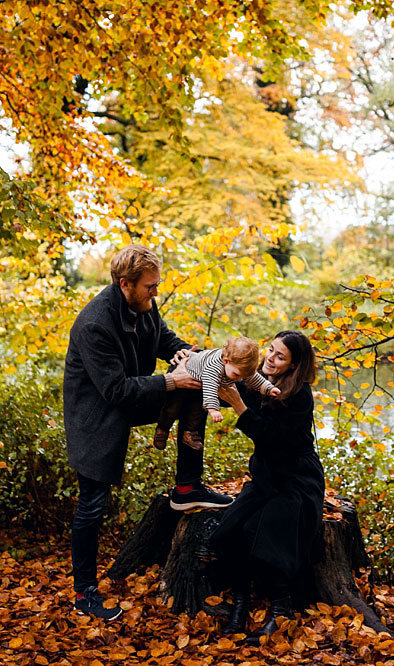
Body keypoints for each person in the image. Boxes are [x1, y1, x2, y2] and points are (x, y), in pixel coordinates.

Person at [63, 244, 233, 620]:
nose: (155, 293)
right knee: (92, 504)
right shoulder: (94, 324)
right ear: (125, 284)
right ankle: (84, 593)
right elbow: (115, 391)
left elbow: (163, 340)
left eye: (156, 286)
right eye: (150, 287)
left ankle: (187, 488)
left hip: (135, 392)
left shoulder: (143, 304)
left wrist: (190, 355)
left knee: (194, 385)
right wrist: (169, 381)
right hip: (96, 414)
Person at [209, 330, 323, 645]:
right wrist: (198, 363)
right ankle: (241, 605)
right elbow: (217, 383)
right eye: (270, 350)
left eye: (279, 356)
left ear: (294, 365)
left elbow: (275, 442)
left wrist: (240, 408)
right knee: (228, 531)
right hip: (266, 478)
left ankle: (280, 608)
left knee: (262, 532)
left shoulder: (300, 394)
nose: (270, 359)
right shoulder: (255, 381)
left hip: (296, 479)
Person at [153, 336, 281, 452]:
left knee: (195, 412)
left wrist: (268, 388)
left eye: (242, 376)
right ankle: (162, 429)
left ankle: (189, 434)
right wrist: (213, 409)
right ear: (226, 361)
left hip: (197, 386)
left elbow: (253, 377)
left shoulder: (238, 366)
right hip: (183, 377)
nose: (239, 379)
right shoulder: (213, 367)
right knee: (172, 408)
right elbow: (210, 386)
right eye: (236, 375)